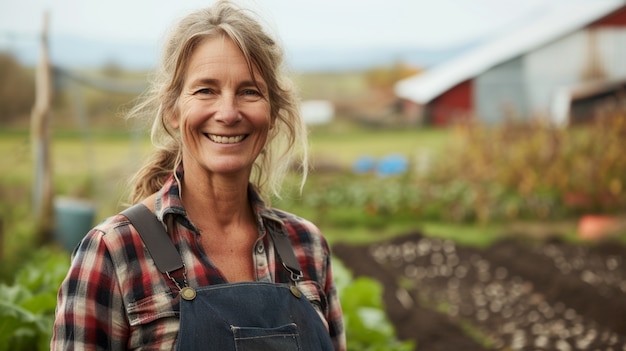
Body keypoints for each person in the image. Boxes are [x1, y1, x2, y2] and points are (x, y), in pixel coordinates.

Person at [51, 1, 346, 350]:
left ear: (273, 111)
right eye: (206, 90)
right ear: (173, 110)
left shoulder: (307, 247)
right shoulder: (113, 252)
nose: (228, 112)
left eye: (249, 91)